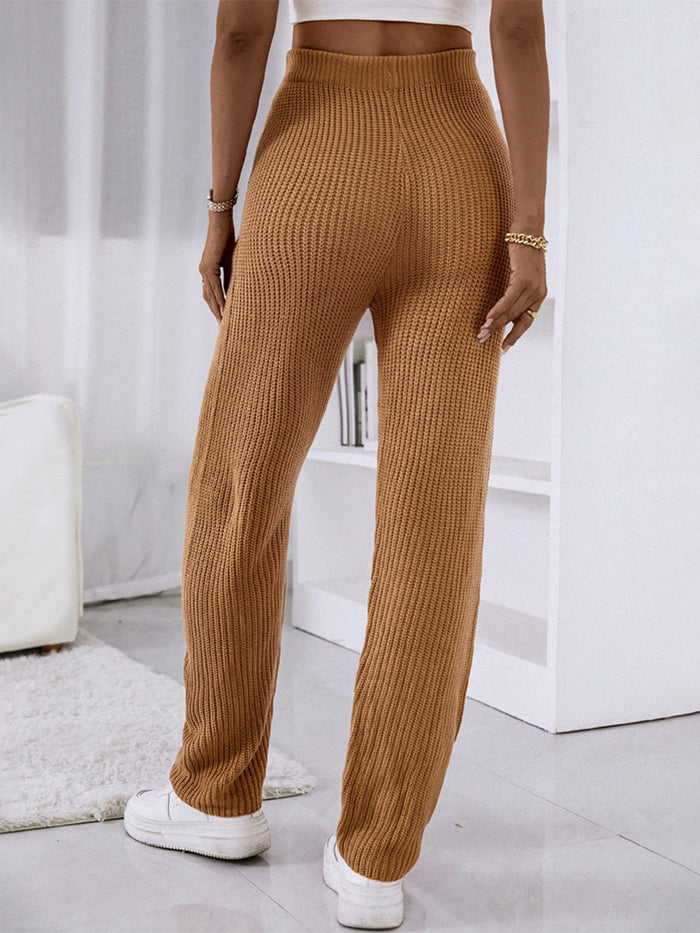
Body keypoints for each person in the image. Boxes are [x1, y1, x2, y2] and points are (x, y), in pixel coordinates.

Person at [124, 0, 549, 929]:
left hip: (314, 156)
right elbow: (517, 32)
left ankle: (215, 793)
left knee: (240, 483)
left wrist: (220, 208)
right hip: (458, 165)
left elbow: (242, 35)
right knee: (434, 520)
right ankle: (375, 858)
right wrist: (528, 230)